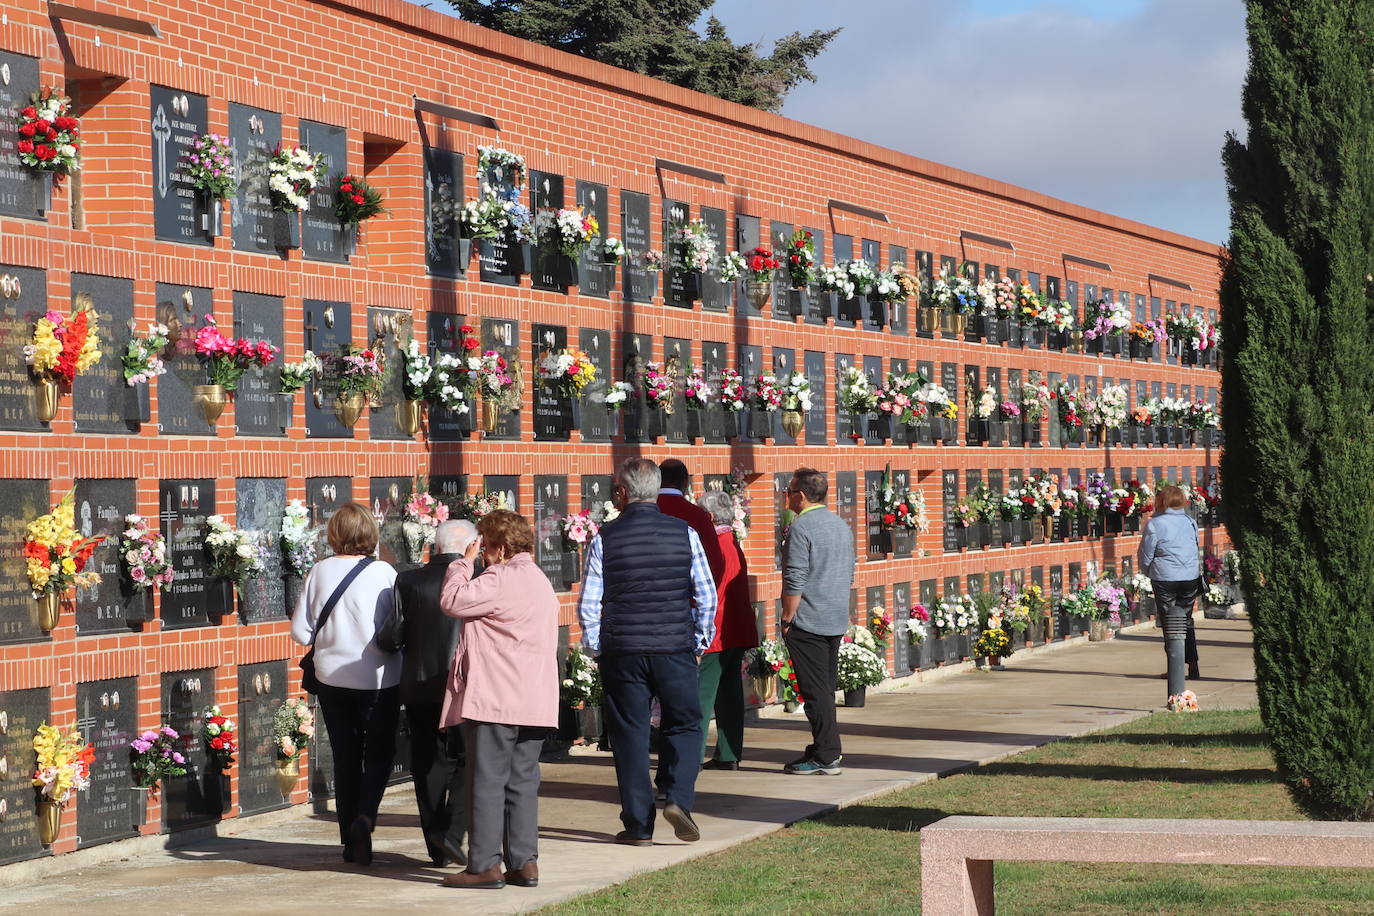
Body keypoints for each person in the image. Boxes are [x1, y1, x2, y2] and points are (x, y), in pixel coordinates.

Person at [578, 458, 717, 846]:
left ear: (622, 492)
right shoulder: (684, 532)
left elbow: (590, 601)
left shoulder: (605, 536)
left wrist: (596, 647)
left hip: (623, 649)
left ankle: (639, 825)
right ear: (654, 490)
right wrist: (700, 642)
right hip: (674, 646)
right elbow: (706, 595)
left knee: (630, 735)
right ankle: (677, 798)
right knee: (686, 723)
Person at [437, 510, 559, 890]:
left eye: (487, 547)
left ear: (501, 548)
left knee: (487, 782)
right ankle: (525, 863)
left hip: (496, 698)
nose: (484, 554)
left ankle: (485, 865)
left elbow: (452, 601)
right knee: (522, 782)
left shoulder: (500, 577)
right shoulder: (540, 579)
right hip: (535, 699)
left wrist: (463, 562)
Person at [290, 504, 400, 866]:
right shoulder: (384, 572)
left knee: (346, 757)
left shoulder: (319, 571)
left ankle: (349, 841)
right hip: (378, 678)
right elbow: (395, 627)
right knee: (380, 755)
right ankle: (365, 819)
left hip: (332, 679)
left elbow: (300, 632)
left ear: (334, 533)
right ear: (369, 532)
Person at [379, 519, 476, 867]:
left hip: (420, 685)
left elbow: (391, 637)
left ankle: (437, 845)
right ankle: (450, 829)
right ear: (469, 548)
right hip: (466, 685)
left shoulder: (408, 579)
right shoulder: (476, 580)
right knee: (472, 759)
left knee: (427, 763)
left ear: (435, 546)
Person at [779, 467, 855, 776]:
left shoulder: (801, 527)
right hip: (835, 617)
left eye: (789, 491)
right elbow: (849, 571)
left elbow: (795, 578)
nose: (786, 496)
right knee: (824, 688)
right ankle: (824, 747)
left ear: (800, 495)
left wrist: (786, 618)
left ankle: (827, 754)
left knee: (815, 691)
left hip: (807, 620)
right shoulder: (840, 524)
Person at [696, 490, 759, 770]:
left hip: (717, 633)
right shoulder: (731, 542)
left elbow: (711, 594)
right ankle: (728, 753)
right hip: (734, 631)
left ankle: (691, 756)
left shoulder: (716, 546)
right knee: (729, 695)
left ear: (708, 517)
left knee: (700, 696)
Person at [1138, 484, 1202, 698]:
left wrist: (1149, 571)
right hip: (1190, 577)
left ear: (1162, 501)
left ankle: (1175, 669)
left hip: (1165, 577)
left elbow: (1147, 553)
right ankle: (1193, 664)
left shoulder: (1155, 524)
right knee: (1186, 619)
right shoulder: (1190, 522)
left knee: (1170, 623)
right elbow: (1195, 546)